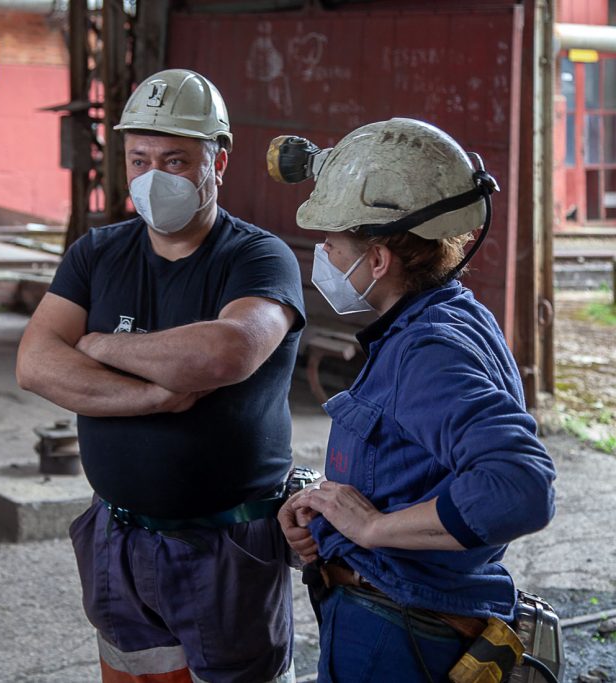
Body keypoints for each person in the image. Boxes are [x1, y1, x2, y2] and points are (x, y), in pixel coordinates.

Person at [16, 68, 306, 683]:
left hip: (227, 546)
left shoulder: (257, 256)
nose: (154, 177)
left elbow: (225, 354)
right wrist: (153, 394)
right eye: (140, 160)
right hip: (116, 539)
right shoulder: (97, 253)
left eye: (175, 161)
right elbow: (36, 363)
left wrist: (97, 344)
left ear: (217, 162)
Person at [274, 118, 557, 682]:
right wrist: (328, 505)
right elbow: (415, 465)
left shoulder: (427, 350)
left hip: (396, 635)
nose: (323, 253)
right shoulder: (449, 313)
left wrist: (374, 530)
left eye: (331, 243)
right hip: (400, 619)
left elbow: (521, 486)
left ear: (378, 259)